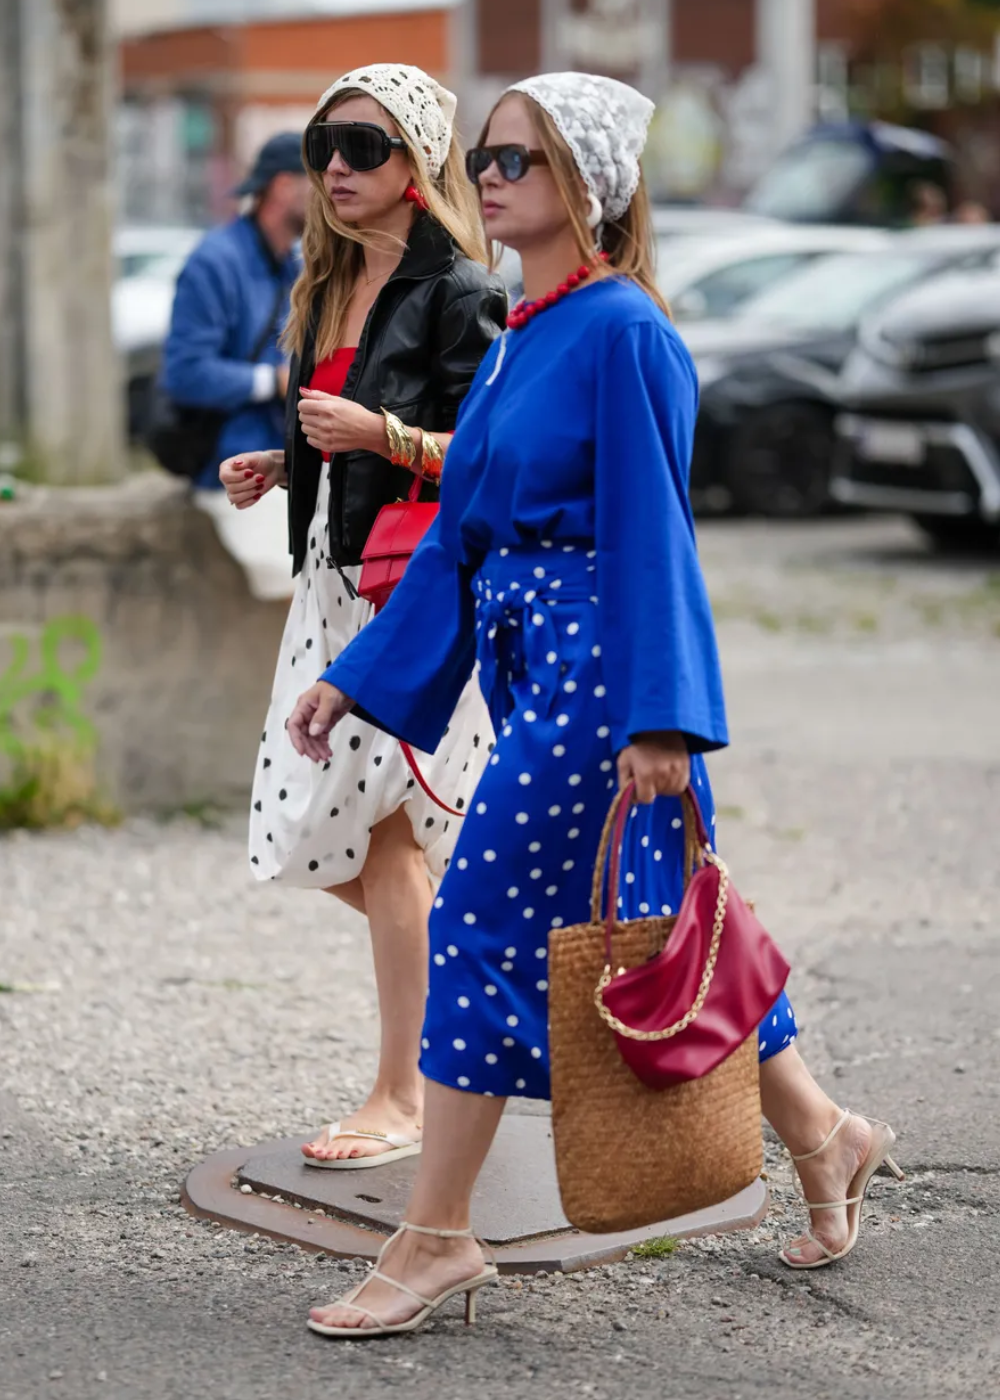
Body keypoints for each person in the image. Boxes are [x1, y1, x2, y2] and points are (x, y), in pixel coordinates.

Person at [288, 71, 902, 1337]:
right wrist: (353, 676)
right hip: (536, 668)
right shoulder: (523, 330)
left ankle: (436, 1234)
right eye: (490, 160)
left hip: (598, 676)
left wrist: (661, 716)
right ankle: (826, 1133)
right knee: (664, 914)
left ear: (593, 186)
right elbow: (459, 540)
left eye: (517, 160)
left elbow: (652, 538)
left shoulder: (627, 331)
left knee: (470, 918)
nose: (490, 176)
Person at [219, 65, 507, 1170]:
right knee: (315, 826)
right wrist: (286, 463)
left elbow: (488, 464)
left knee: (385, 834)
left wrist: (377, 434)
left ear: (419, 165)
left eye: (365, 147)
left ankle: (406, 1093)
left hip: (414, 597)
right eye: (322, 145)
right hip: (331, 587)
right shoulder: (326, 280)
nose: (335, 167)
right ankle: (472, 975)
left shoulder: (462, 292)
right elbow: (341, 439)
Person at [162, 132, 308, 601]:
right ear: (284, 186)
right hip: (230, 465)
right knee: (297, 580)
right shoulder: (215, 261)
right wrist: (274, 381)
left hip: (280, 464)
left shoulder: (294, 263)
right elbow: (183, 373)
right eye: (319, 181)